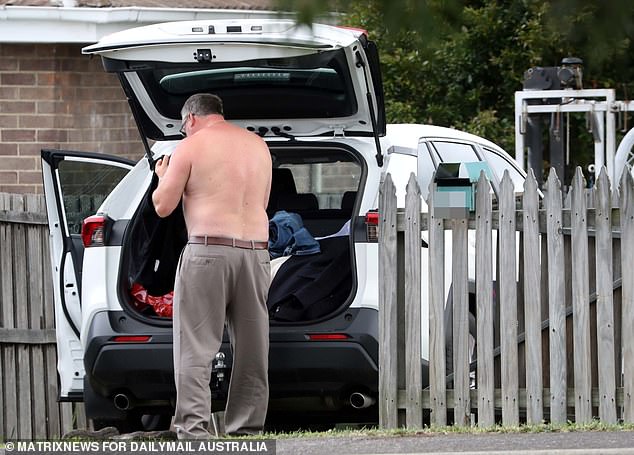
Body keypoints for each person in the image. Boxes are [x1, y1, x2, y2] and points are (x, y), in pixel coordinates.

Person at [152, 93, 272, 439]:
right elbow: (261, 201)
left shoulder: (188, 148)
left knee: (197, 345)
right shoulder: (258, 146)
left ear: (190, 119)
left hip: (208, 251)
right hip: (255, 253)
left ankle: (193, 429)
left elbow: (163, 206)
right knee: (253, 346)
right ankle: (246, 428)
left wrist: (163, 175)